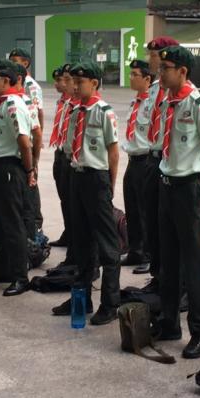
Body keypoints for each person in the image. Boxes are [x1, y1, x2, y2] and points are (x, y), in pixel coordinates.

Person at [152, 46, 200, 359]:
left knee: (193, 264)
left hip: (191, 188)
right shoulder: (167, 100)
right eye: (160, 66)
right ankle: (169, 322)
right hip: (166, 185)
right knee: (168, 261)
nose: (160, 72)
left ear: (182, 71)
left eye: (166, 67)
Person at [49, 63, 123, 324]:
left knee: (106, 244)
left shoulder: (104, 112)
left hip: (96, 178)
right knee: (81, 241)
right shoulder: (74, 110)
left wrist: (109, 186)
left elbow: (113, 152)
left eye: (80, 83)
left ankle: (110, 303)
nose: (76, 87)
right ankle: (80, 298)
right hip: (76, 176)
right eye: (74, 82)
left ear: (94, 83)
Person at [0, 59, 34, 297]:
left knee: (12, 225)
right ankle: (1, 269)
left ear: (7, 81)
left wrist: (29, 170)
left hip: (10, 168)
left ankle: (20, 276)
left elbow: (24, 140)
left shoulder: (13, 104)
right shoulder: (1, 103)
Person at [138, 37, 180, 291]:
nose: (150, 60)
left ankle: (178, 282)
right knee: (152, 222)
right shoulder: (153, 89)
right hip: (152, 159)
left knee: (173, 230)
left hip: (172, 163)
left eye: (154, 56)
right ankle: (158, 276)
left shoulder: (180, 92)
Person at [121, 59, 154, 268]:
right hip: (132, 160)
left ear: (147, 79)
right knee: (132, 209)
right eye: (130, 74)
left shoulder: (152, 104)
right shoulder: (134, 103)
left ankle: (148, 255)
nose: (131, 78)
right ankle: (134, 250)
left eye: (135, 75)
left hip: (146, 160)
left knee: (146, 211)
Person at [11, 62, 44, 238]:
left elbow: (36, 130)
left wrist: (35, 159)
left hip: (21, 156)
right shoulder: (7, 101)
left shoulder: (25, 99)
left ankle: (32, 232)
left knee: (28, 194)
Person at [49, 65, 74, 248]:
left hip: (70, 155)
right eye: (60, 79)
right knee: (64, 196)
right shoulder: (63, 101)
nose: (60, 83)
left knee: (72, 198)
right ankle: (68, 231)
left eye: (65, 79)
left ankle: (74, 235)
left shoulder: (76, 103)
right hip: (60, 150)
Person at [9, 48, 45, 133]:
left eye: (14, 61)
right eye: (10, 61)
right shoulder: (12, 81)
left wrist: (39, 136)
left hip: (27, 128)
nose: (10, 64)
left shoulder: (30, 85)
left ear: (25, 64)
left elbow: (38, 111)